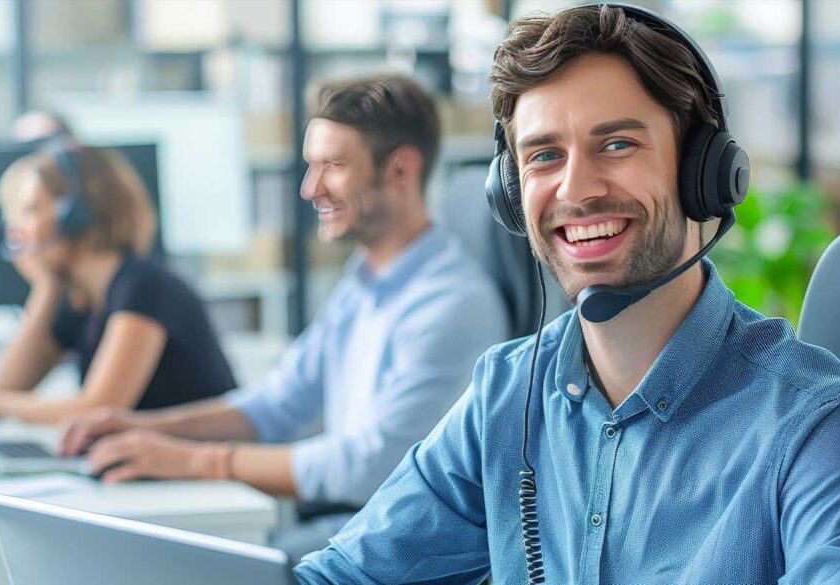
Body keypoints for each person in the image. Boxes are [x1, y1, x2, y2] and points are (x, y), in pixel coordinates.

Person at [295, 5, 840, 583]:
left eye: (617, 144)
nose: (576, 188)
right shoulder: (507, 397)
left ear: (704, 172)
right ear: (509, 193)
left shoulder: (821, 429)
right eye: (543, 156)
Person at [56, 75, 510, 562]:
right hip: (343, 529)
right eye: (310, 166)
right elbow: (277, 403)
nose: (309, 188)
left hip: (390, 550)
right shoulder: (367, 280)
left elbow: (371, 464)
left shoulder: (451, 302)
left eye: (332, 166)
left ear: (399, 170)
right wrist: (143, 427)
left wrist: (190, 460)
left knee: (167, 563)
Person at [0, 142, 237, 425]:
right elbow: (8, 387)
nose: (18, 231)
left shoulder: (145, 287)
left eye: (31, 210)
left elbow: (97, 410)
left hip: (208, 484)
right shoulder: (82, 299)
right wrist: (46, 288)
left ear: (76, 214)